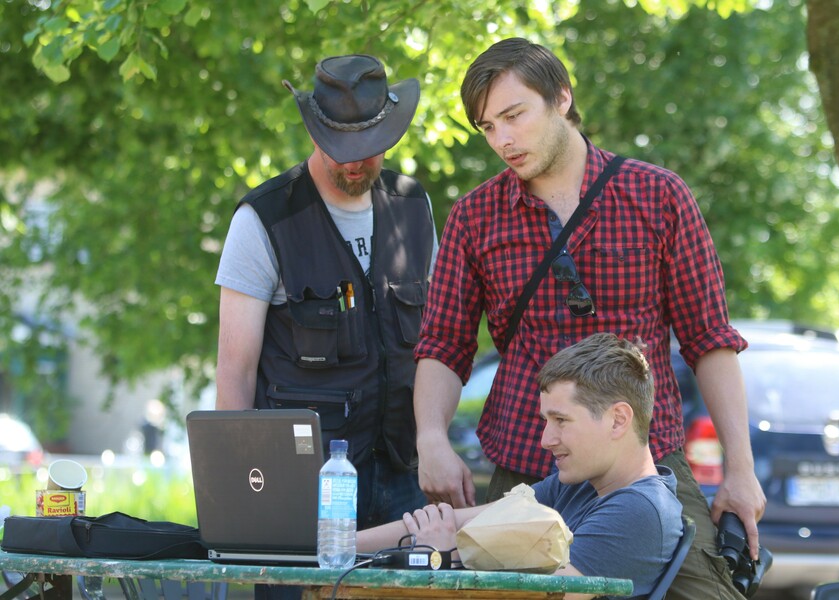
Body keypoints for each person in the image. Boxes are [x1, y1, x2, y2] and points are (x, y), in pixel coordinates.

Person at [413, 38, 766, 600]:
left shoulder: (659, 196)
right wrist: (431, 436)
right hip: (529, 461)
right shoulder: (473, 217)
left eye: (513, 115)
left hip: (647, 465)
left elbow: (711, 341)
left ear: (561, 98)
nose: (502, 139)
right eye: (487, 127)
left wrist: (741, 471)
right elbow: (444, 345)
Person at [215, 54, 436, 530]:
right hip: (304, 479)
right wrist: (236, 493)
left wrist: (436, 442)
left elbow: (434, 346)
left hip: (406, 473)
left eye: (371, 145)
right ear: (315, 133)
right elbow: (235, 373)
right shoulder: (263, 219)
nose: (355, 160)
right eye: (340, 144)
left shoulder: (414, 206)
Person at [361, 333, 683, 599]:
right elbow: (454, 523)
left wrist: (439, 561)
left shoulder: (638, 509)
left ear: (618, 420)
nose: (545, 439)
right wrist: (332, 548)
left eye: (561, 420)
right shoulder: (576, 486)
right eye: (547, 420)